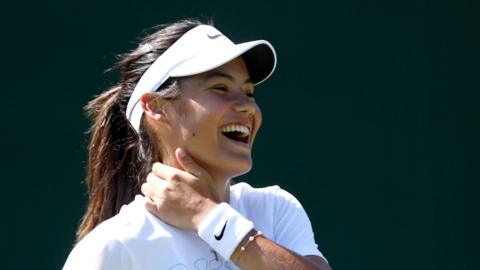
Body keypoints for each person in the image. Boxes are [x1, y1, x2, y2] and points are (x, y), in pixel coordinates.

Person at [63, 19, 331, 270]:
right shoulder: (112, 246)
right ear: (156, 107)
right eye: (220, 88)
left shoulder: (275, 209)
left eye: (249, 93)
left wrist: (207, 215)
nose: (248, 107)